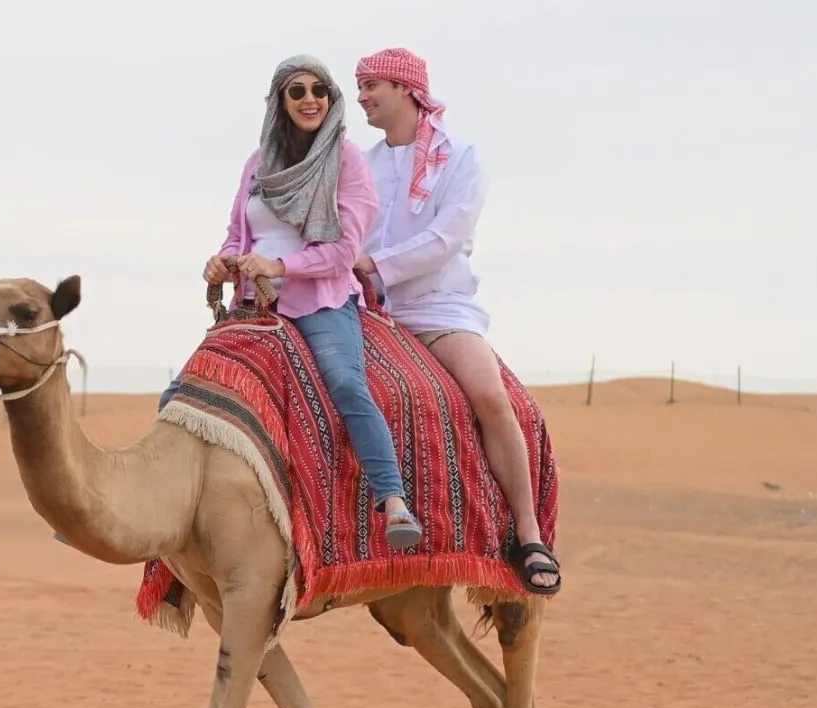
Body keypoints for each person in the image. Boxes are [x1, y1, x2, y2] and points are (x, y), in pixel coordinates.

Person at [352, 47, 559, 594]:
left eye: (372, 85)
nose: (362, 97)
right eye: (359, 87)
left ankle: (529, 532)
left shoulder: (462, 158)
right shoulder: (361, 164)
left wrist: (375, 264)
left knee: (491, 398)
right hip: (368, 308)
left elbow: (448, 237)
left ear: (405, 89)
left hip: (438, 308)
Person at [205, 54, 424, 551]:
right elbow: (237, 237)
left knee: (346, 383)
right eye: (297, 91)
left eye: (319, 90)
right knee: (186, 392)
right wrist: (223, 262)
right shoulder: (257, 164)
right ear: (280, 102)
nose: (310, 100)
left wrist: (281, 268)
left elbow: (346, 250)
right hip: (253, 305)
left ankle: (392, 500)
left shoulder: (346, 161)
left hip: (321, 301)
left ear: (331, 99)